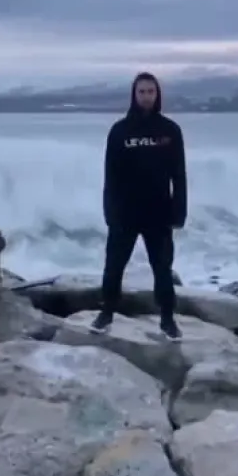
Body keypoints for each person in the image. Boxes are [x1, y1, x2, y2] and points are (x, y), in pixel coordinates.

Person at [91, 71, 187, 341]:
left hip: (159, 212)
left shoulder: (170, 131)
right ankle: (106, 313)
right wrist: (110, 211)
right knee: (114, 266)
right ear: (134, 95)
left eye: (151, 91)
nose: (146, 96)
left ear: (158, 95)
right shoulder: (120, 131)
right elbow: (110, 175)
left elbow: (179, 175)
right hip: (125, 212)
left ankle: (168, 320)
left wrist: (179, 211)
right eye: (142, 91)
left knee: (162, 268)